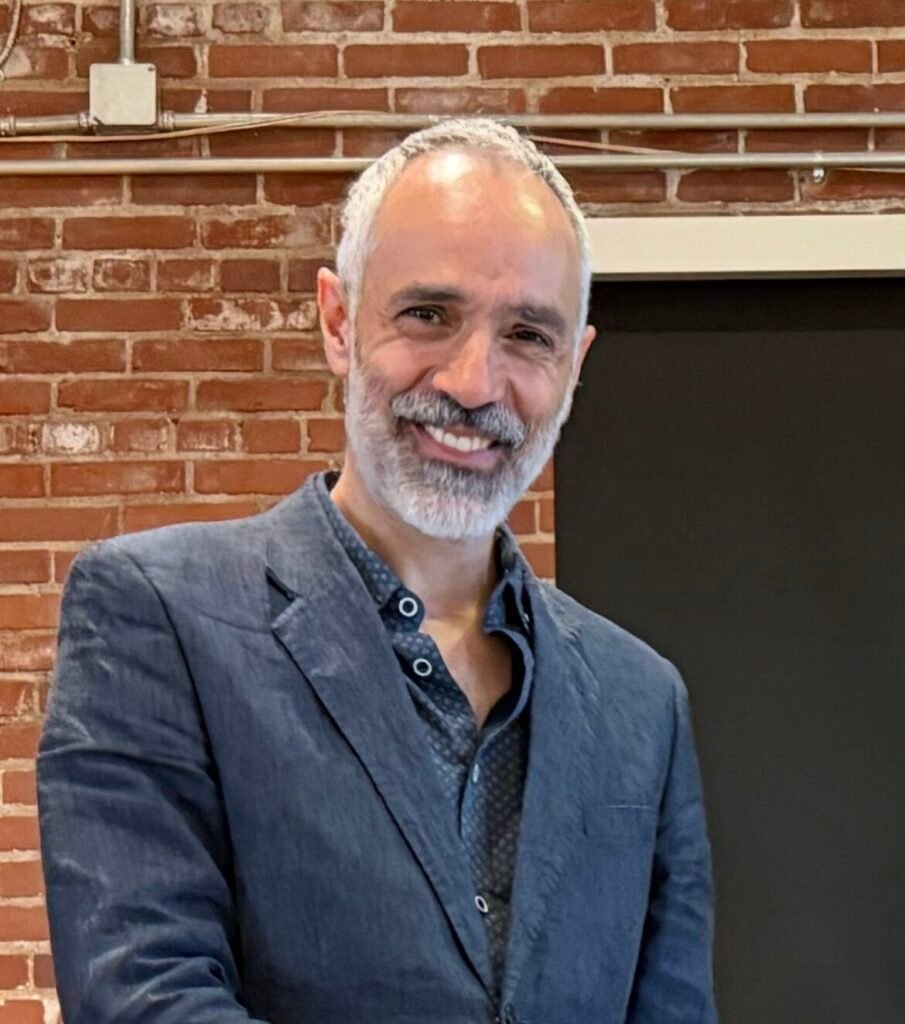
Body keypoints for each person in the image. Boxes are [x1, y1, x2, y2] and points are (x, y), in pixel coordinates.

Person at [38, 118, 717, 1024]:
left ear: (574, 364)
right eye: (428, 315)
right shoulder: (160, 617)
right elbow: (144, 999)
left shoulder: (642, 699)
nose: (474, 383)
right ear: (338, 321)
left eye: (527, 334)